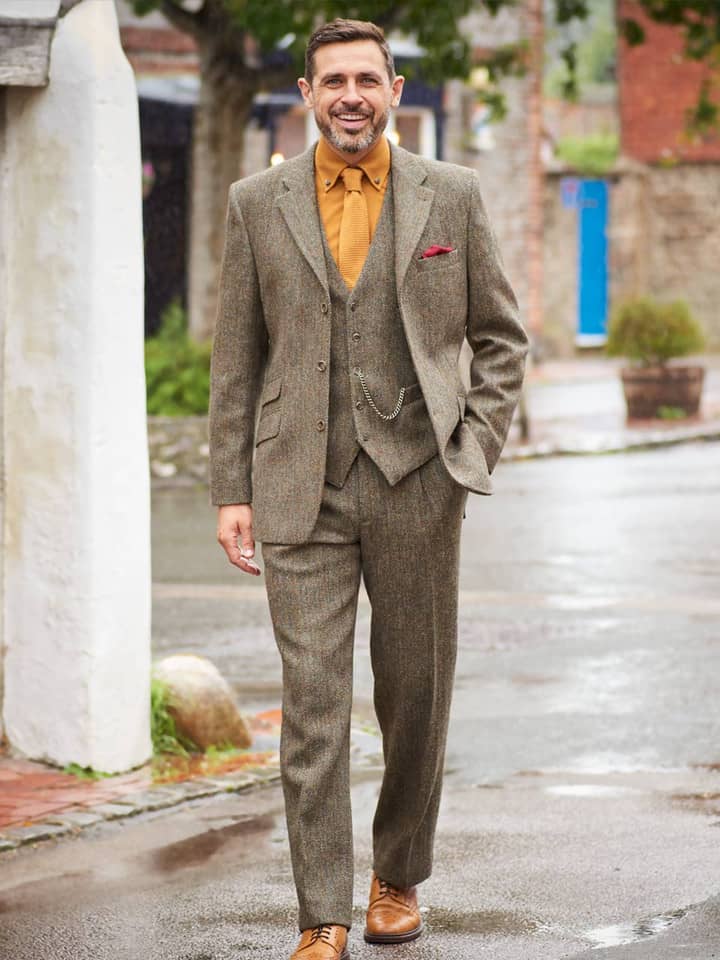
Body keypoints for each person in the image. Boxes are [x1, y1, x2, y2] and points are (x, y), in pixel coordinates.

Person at [209, 18, 528, 959]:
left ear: (394, 90)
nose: (351, 95)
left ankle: (398, 872)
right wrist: (234, 487)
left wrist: (471, 449)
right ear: (306, 94)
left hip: (418, 480)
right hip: (295, 483)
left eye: (367, 79)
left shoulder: (452, 195)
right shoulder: (255, 202)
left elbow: (502, 340)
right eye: (333, 80)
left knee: (414, 694)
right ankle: (323, 915)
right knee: (312, 705)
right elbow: (238, 358)